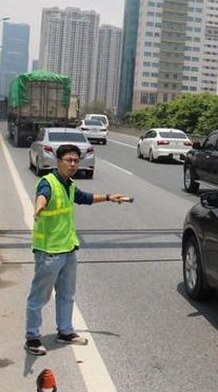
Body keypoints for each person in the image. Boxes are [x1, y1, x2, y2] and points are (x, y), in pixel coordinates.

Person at [24, 144, 128, 356]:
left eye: (75, 161)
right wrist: (38, 207)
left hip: (68, 249)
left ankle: (65, 332)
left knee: (67, 295)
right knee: (39, 297)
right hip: (49, 252)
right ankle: (32, 337)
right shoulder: (48, 183)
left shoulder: (69, 185)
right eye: (68, 160)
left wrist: (109, 197)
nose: (72, 164)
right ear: (58, 161)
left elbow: (85, 198)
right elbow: (42, 196)